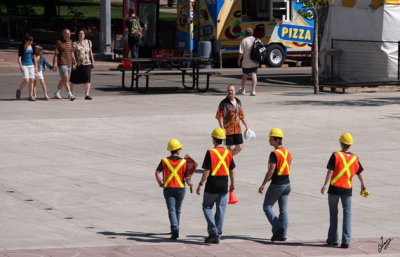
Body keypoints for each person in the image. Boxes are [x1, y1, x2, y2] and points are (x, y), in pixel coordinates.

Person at [321, 132, 367, 249]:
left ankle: (333, 239)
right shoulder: (354, 158)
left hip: (334, 189)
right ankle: (346, 241)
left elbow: (330, 171)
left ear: (341, 143)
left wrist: (325, 184)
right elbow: (359, 173)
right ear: (350, 145)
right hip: (347, 190)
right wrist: (363, 185)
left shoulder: (335, 155)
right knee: (347, 215)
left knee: (333, 213)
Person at [196, 128, 236, 244]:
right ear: (222, 140)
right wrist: (232, 184)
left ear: (213, 139)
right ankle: (217, 235)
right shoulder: (228, 153)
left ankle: (213, 231)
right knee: (221, 210)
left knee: (207, 207)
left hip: (211, 185)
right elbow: (232, 171)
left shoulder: (210, 152)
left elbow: (206, 171)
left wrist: (200, 184)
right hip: (224, 186)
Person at [155, 139, 193, 240]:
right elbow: (187, 177)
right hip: (180, 188)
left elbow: (157, 173)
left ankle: (174, 228)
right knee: (178, 210)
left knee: (171, 209)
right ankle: (176, 228)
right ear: (178, 150)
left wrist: (160, 183)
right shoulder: (184, 162)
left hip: (168, 188)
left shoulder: (164, 161)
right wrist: (189, 183)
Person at [258, 128, 292, 242]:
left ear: (276, 140)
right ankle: (283, 235)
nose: (269, 139)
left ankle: (278, 229)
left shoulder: (274, 154)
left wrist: (263, 184)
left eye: (271, 138)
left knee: (267, 206)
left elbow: (271, 170)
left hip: (277, 184)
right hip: (287, 183)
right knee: (283, 210)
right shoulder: (287, 152)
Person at [215, 84, 250, 156]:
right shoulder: (223, 103)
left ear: (235, 91)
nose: (230, 92)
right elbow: (219, 116)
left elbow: (241, 115)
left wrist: (246, 125)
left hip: (237, 129)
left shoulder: (238, 101)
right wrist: (222, 128)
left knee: (240, 147)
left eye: (232, 90)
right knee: (230, 147)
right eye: (229, 90)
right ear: (227, 92)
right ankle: (228, 161)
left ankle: (227, 158)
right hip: (228, 129)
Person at [70, 29, 95, 100]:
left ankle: (87, 94)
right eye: (80, 33)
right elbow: (72, 53)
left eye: (83, 33)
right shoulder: (75, 43)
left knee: (87, 79)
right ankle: (71, 93)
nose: (81, 35)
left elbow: (90, 53)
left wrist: (93, 61)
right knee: (74, 79)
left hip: (87, 63)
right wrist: (74, 62)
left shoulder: (88, 42)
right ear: (77, 35)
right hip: (78, 63)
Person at [52, 28, 76, 101]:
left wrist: (74, 62)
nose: (69, 34)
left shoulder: (71, 42)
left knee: (64, 79)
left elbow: (72, 52)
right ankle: (70, 94)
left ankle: (57, 93)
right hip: (62, 63)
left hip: (69, 63)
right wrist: (54, 64)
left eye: (69, 33)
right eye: (67, 33)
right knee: (65, 78)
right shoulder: (59, 42)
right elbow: (56, 54)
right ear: (63, 34)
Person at [237, 27, 259, 96]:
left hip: (246, 62)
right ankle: (253, 91)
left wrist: (239, 60)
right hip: (255, 61)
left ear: (245, 33)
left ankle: (243, 89)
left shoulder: (244, 41)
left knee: (245, 76)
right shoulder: (257, 40)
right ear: (252, 33)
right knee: (254, 75)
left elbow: (241, 52)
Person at [17, 35, 38, 101]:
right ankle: (19, 90)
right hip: (24, 65)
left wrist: (36, 66)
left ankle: (30, 96)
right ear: (26, 41)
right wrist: (20, 66)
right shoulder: (21, 47)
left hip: (31, 65)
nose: (31, 42)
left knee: (31, 80)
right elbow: (19, 58)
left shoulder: (33, 46)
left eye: (31, 41)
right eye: (30, 41)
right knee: (26, 80)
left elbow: (34, 57)